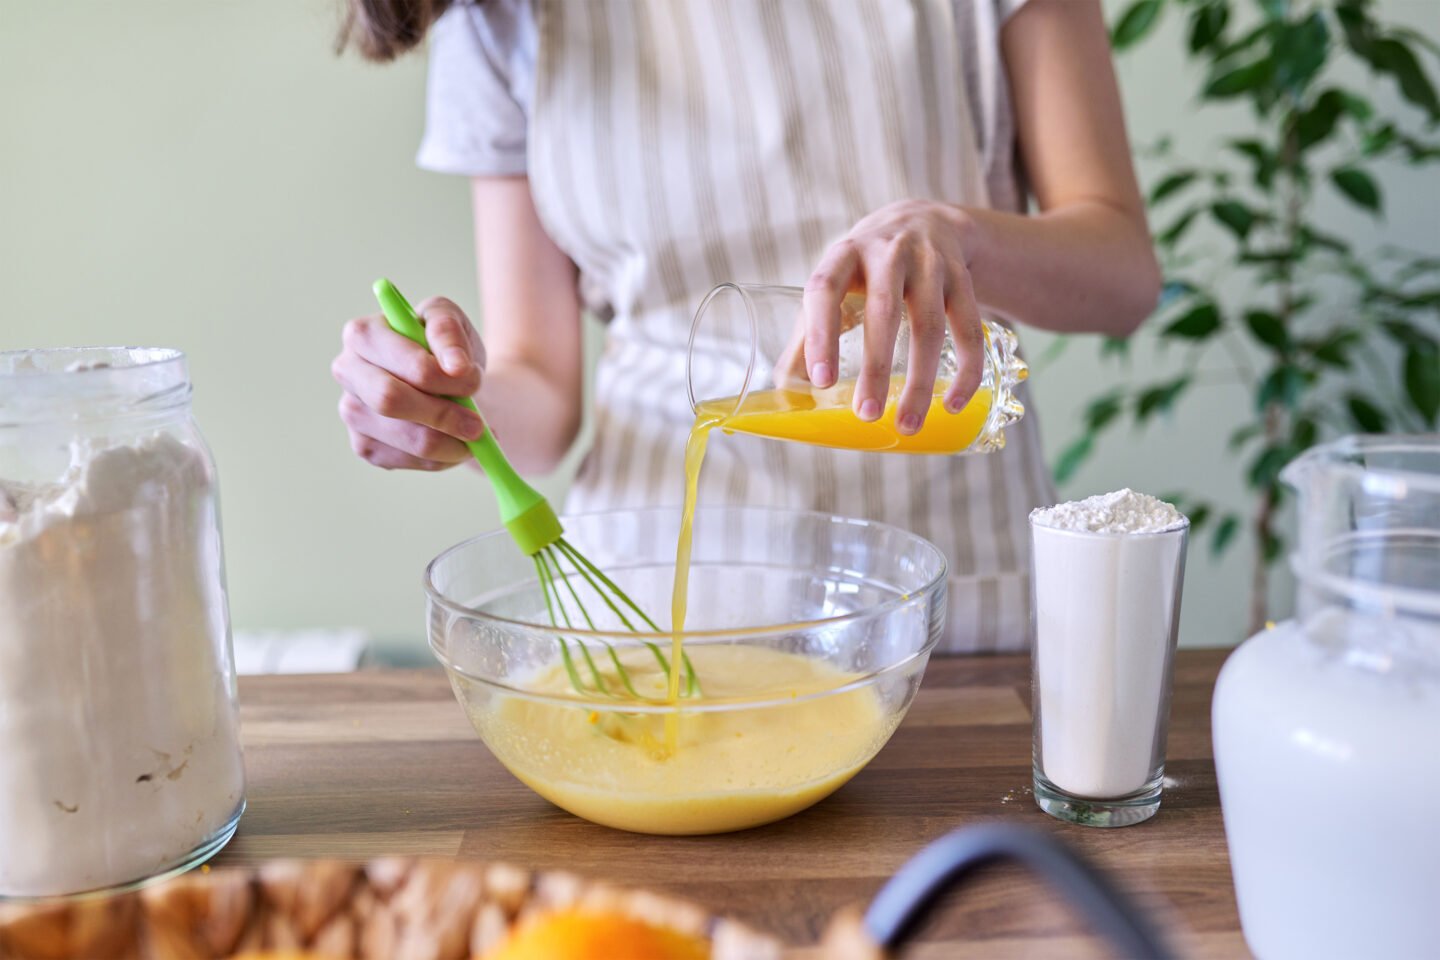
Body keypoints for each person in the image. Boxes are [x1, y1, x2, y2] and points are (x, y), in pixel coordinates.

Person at [330, 0, 1160, 652]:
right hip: (659, 621)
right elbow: (541, 406)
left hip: (955, 599)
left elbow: (1123, 277)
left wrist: (965, 236)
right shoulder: (501, 13)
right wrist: (442, 402)